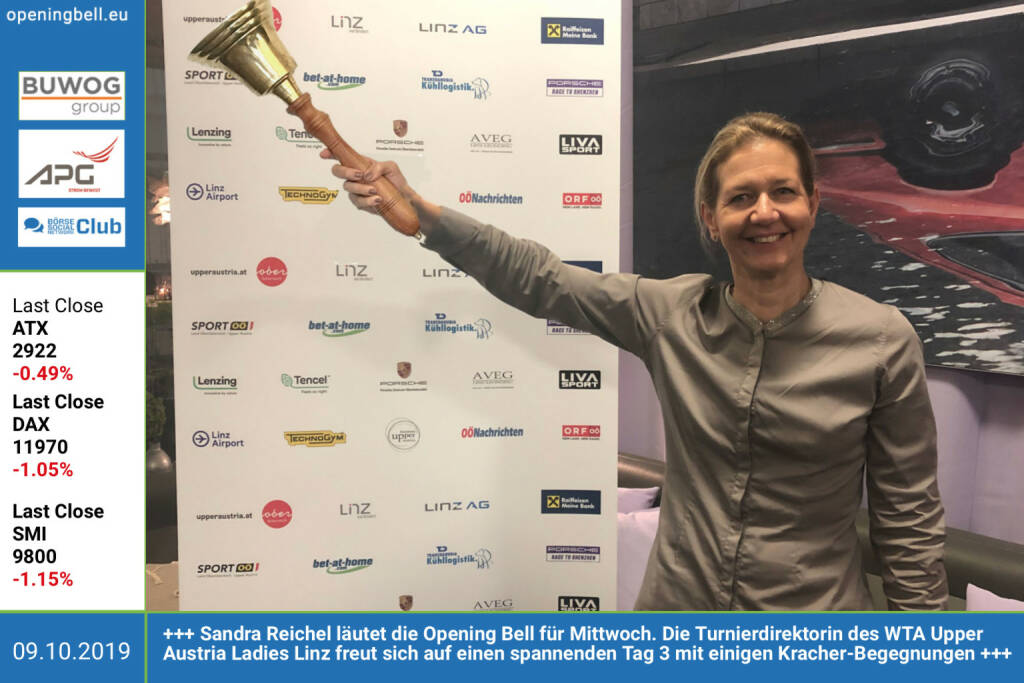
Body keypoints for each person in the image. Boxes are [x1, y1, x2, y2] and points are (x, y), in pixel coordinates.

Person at [321, 112, 948, 610]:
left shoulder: (880, 340)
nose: (764, 212)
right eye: (741, 197)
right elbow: (540, 277)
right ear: (711, 219)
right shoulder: (671, 313)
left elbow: (908, 518)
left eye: (783, 192)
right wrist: (421, 211)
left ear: (812, 202)